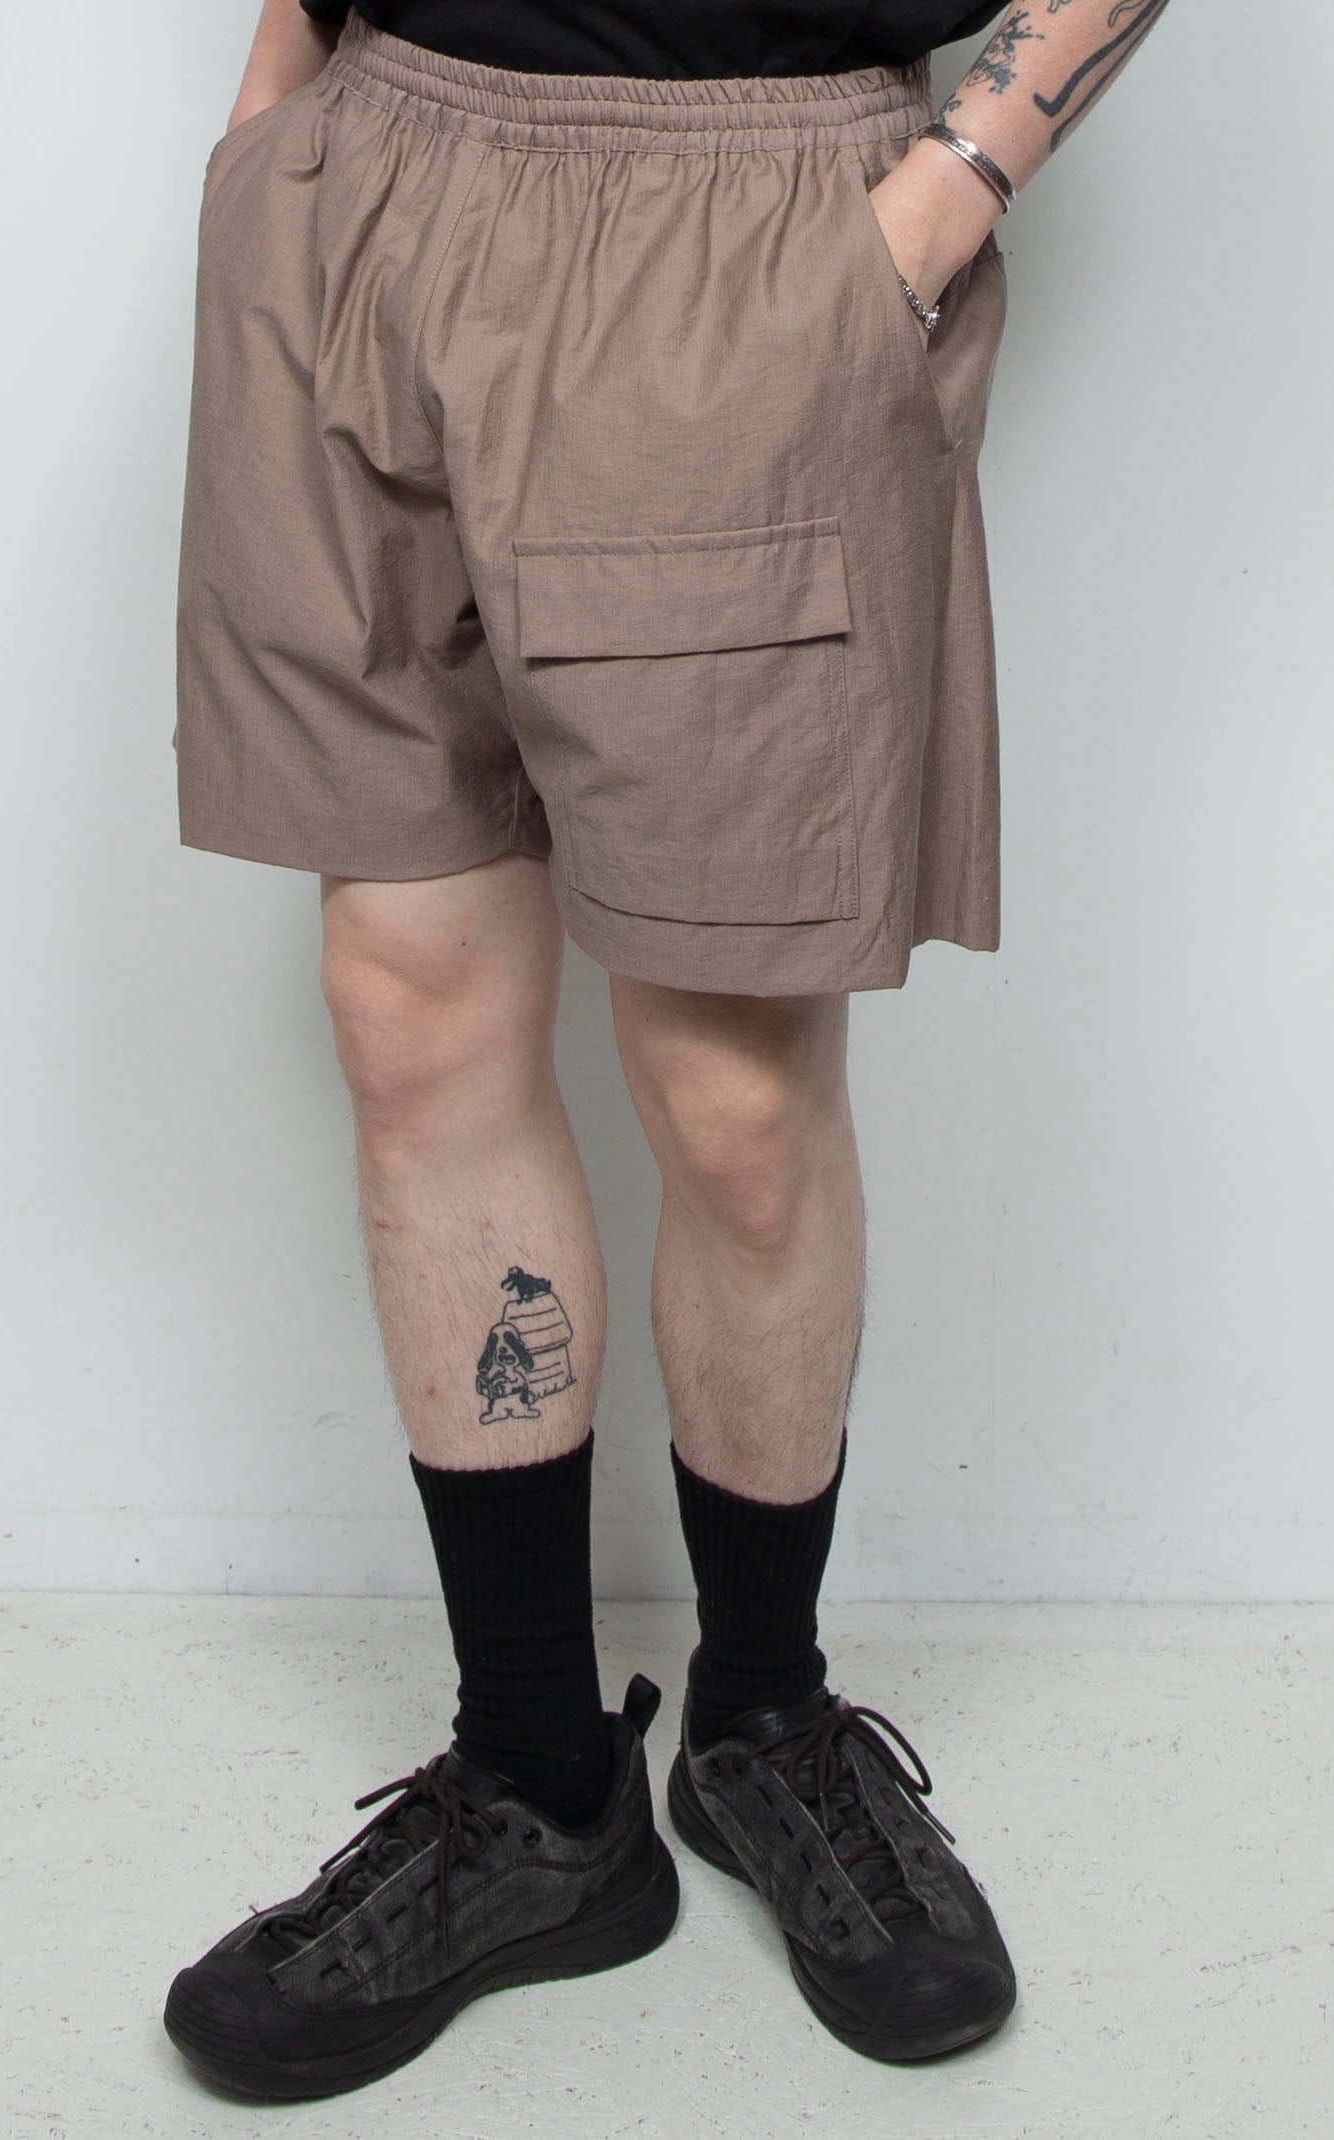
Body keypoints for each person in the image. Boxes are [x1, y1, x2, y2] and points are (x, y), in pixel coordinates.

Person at [163, 0, 1173, 2101]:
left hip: (745, 220)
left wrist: (945, 193)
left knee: (730, 1081)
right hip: (364, 179)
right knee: (407, 1007)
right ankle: (537, 1783)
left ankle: (765, 1721)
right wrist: (270, 121)